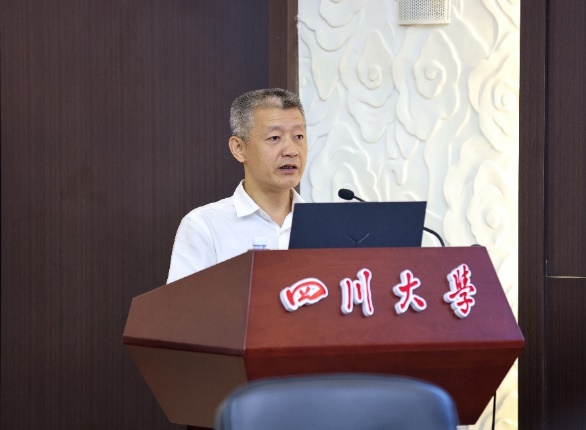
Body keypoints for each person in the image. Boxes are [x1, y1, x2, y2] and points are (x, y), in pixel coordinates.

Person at [166, 88, 307, 283]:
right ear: (239, 148)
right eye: (274, 138)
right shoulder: (204, 226)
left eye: (298, 136)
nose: (291, 150)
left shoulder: (324, 225)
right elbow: (184, 302)